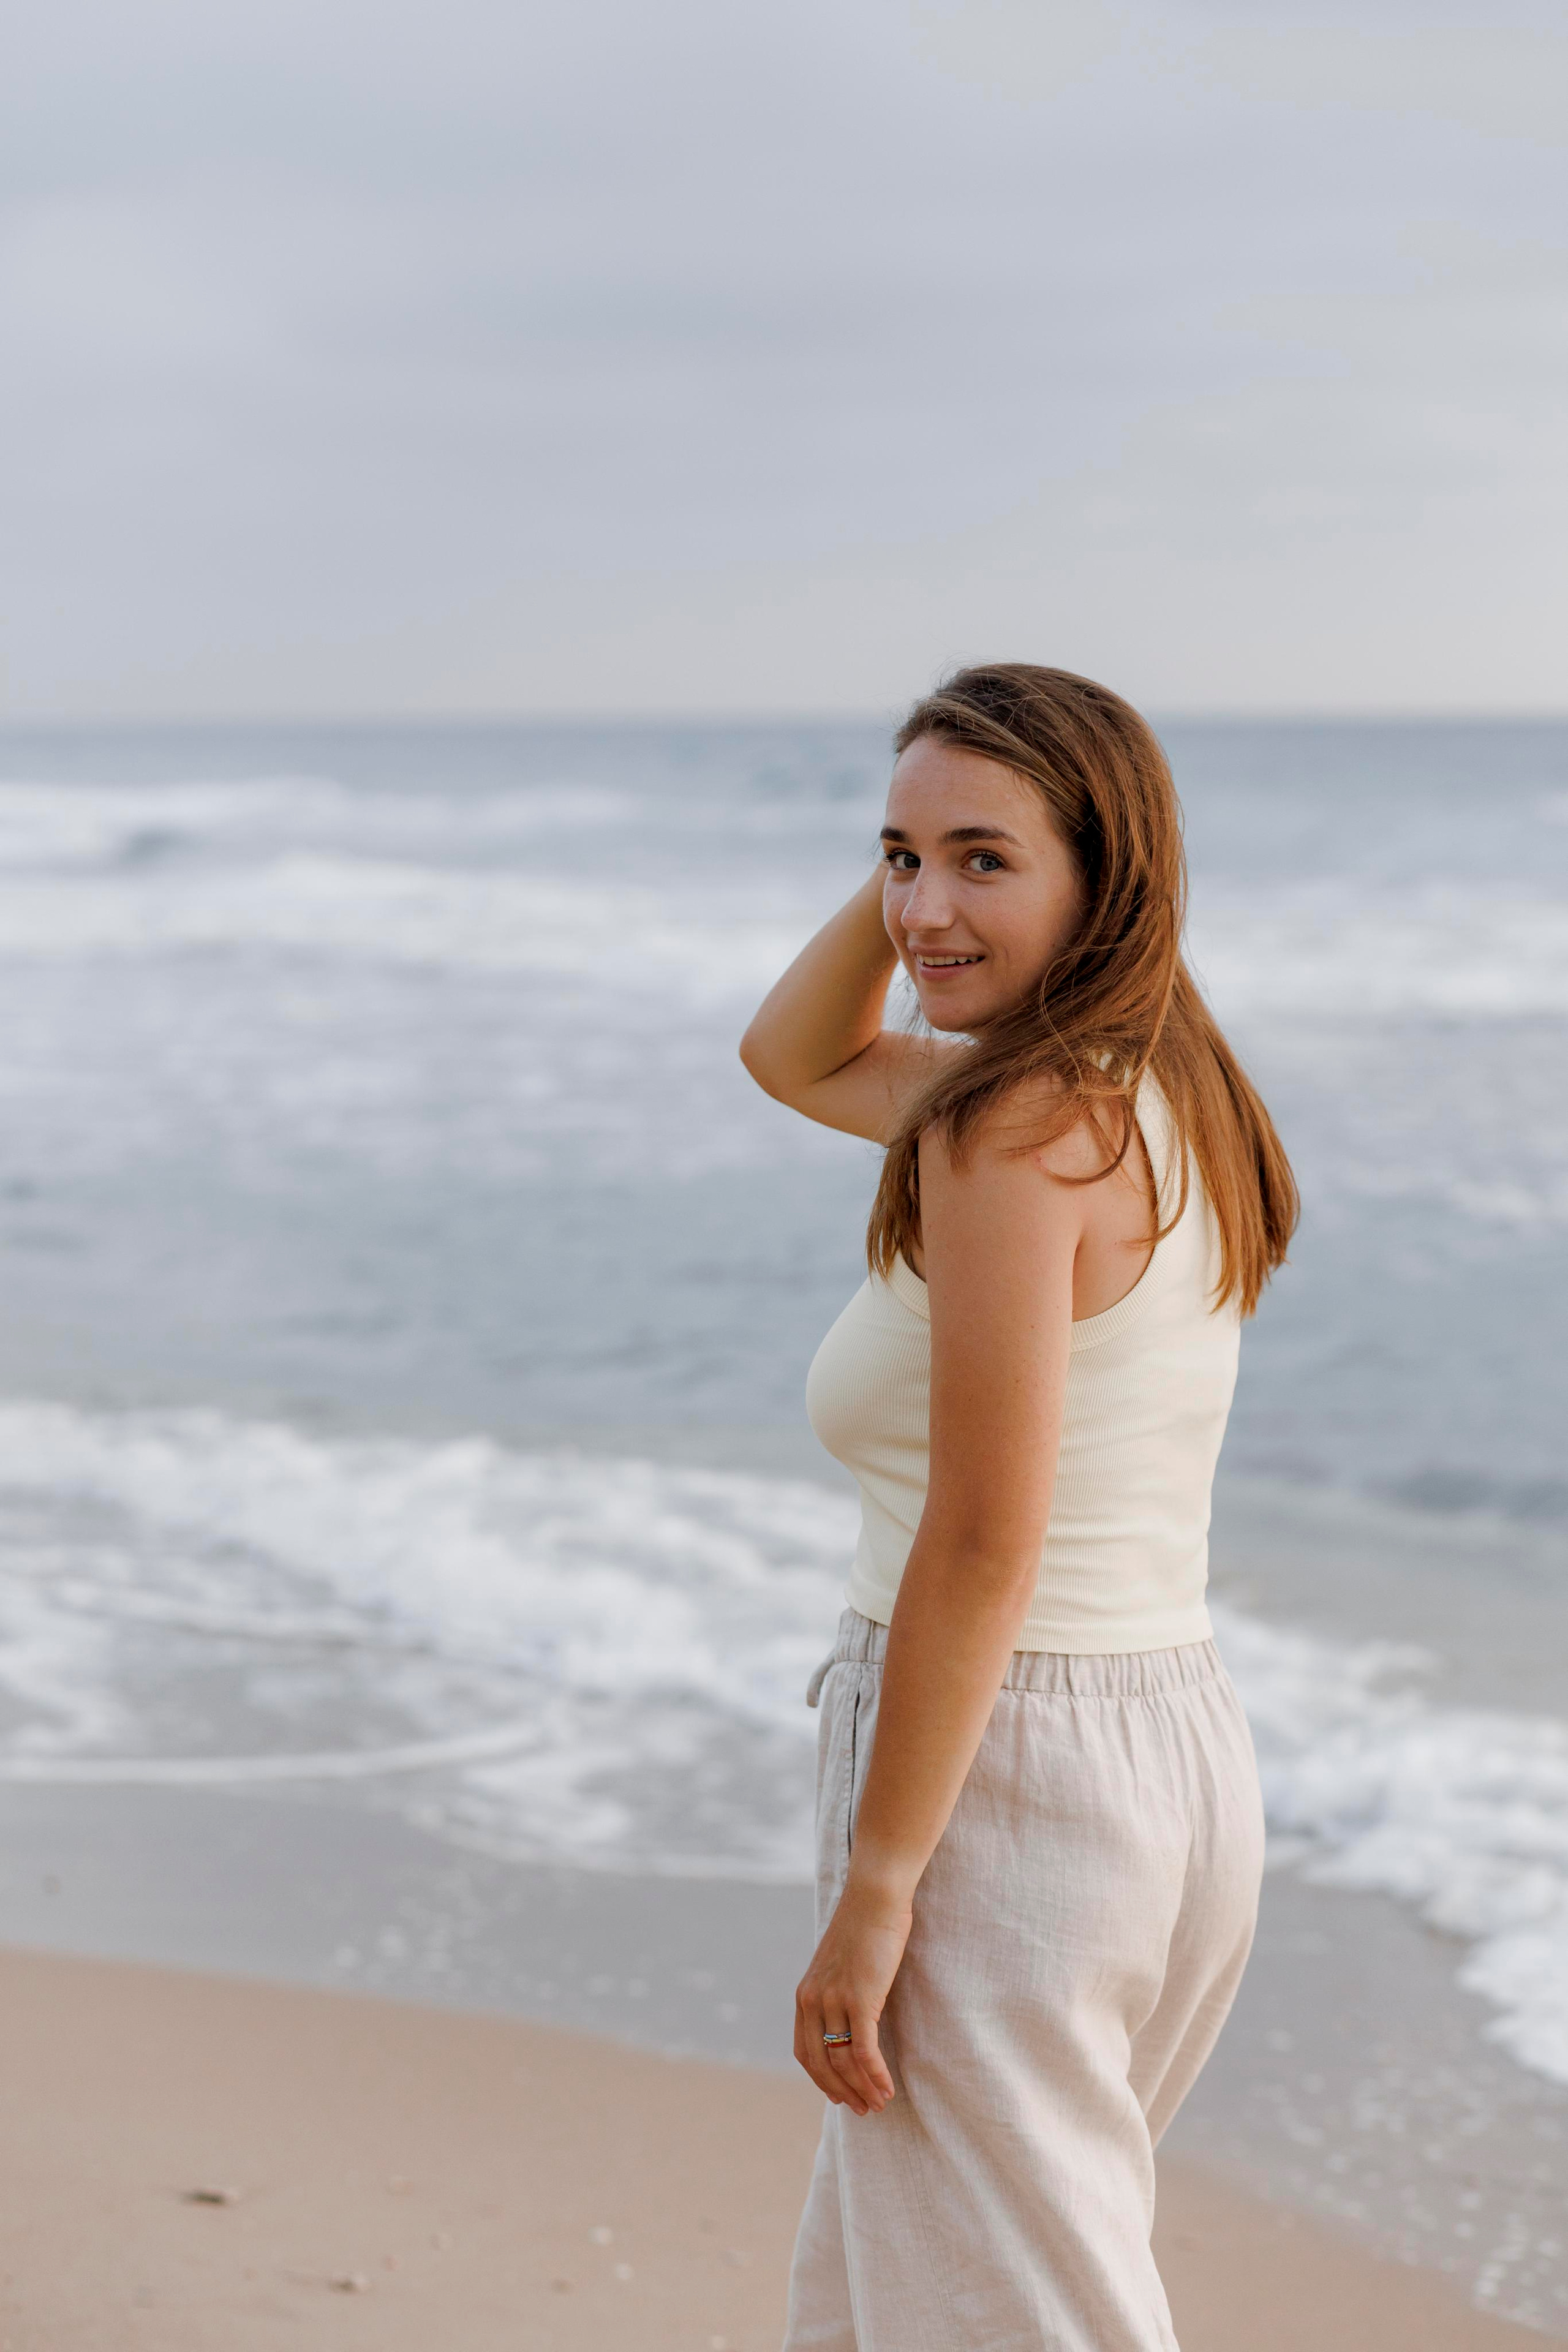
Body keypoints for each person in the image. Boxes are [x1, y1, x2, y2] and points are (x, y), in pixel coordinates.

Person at [739, 665, 1297, 2352]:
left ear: (1107, 873)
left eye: (986, 858)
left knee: (1033, 2317)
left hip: (1010, 1777)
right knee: (884, 2301)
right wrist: (938, 886)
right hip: (1169, 1754)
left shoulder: (1013, 1132)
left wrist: (878, 1885)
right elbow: (790, 1053)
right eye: (898, 856)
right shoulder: (1164, 1090)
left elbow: (987, 1539)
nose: (923, 908)